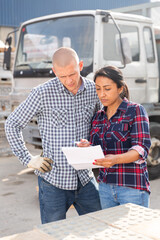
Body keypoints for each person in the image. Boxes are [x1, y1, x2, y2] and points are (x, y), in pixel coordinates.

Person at [5, 47, 102, 224]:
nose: (69, 81)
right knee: (53, 233)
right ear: (55, 71)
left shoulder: (93, 90)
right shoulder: (41, 93)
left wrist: (93, 143)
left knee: (99, 226)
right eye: (62, 76)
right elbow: (12, 124)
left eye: (72, 74)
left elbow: (101, 125)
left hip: (85, 179)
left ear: (80, 65)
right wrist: (27, 158)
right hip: (53, 182)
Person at [78, 65, 151, 209]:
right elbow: (98, 149)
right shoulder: (98, 117)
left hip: (132, 187)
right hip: (105, 187)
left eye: (107, 88)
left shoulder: (135, 110)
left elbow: (141, 149)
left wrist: (115, 159)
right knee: (111, 232)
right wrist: (87, 147)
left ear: (120, 88)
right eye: (98, 89)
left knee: (134, 231)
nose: (102, 94)